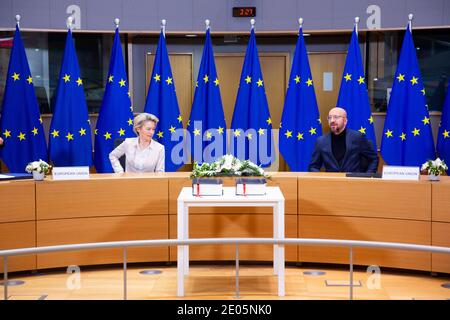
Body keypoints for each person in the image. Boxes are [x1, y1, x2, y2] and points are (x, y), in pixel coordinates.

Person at [309, 107, 378, 173]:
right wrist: (322, 179)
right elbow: (313, 166)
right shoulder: (321, 141)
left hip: (353, 182)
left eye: (336, 117)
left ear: (345, 121)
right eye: (329, 118)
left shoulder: (357, 137)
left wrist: (367, 177)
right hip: (331, 182)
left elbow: (373, 159)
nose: (332, 120)